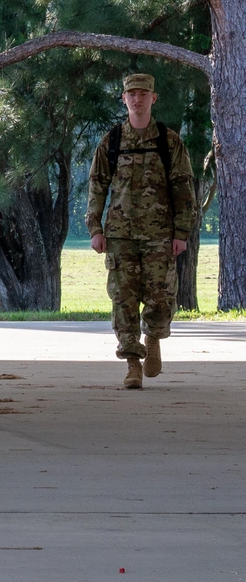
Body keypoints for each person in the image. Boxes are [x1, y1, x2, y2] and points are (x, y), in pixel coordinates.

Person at [86, 73, 197, 389]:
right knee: (123, 300)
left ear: (153, 98)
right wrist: (95, 228)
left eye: (143, 93)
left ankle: (154, 337)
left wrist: (181, 232)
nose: (137, 99)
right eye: (131, 94)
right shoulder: (112, 141)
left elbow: (183, 188)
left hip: (159, 235)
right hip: (120, 235)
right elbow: (97, 185)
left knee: (160, 299)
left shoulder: (169, 141)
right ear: (124, 99)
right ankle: (133, 364)